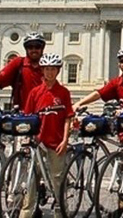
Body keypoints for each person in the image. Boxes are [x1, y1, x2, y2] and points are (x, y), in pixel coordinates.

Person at [22, 53, 74, 218]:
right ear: (42, 71)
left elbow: (67, 118)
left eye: (53, 69)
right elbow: (28, 118)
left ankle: (60, 211)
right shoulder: (35, 92)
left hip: (57, 142)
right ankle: (26, 213)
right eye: (47, 69)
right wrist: (27, 141)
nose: (50, 73)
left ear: (58, 71)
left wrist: (65, 140)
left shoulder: (63, 92)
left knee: (57, 179)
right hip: (38, 142)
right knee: (32, 179)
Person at [0, 31, 45, 109]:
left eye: (37, 47)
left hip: (43, 111)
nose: (34, 50)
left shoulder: (47, 66)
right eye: (30, 47)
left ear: (42, 48)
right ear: (26, 49)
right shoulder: (19, 63)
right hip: (22, 112)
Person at [73, 47, 123, 115]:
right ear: (119, 64)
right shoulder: (116, 81)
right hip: (122, 117)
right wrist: (79, 103)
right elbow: (99, 93)